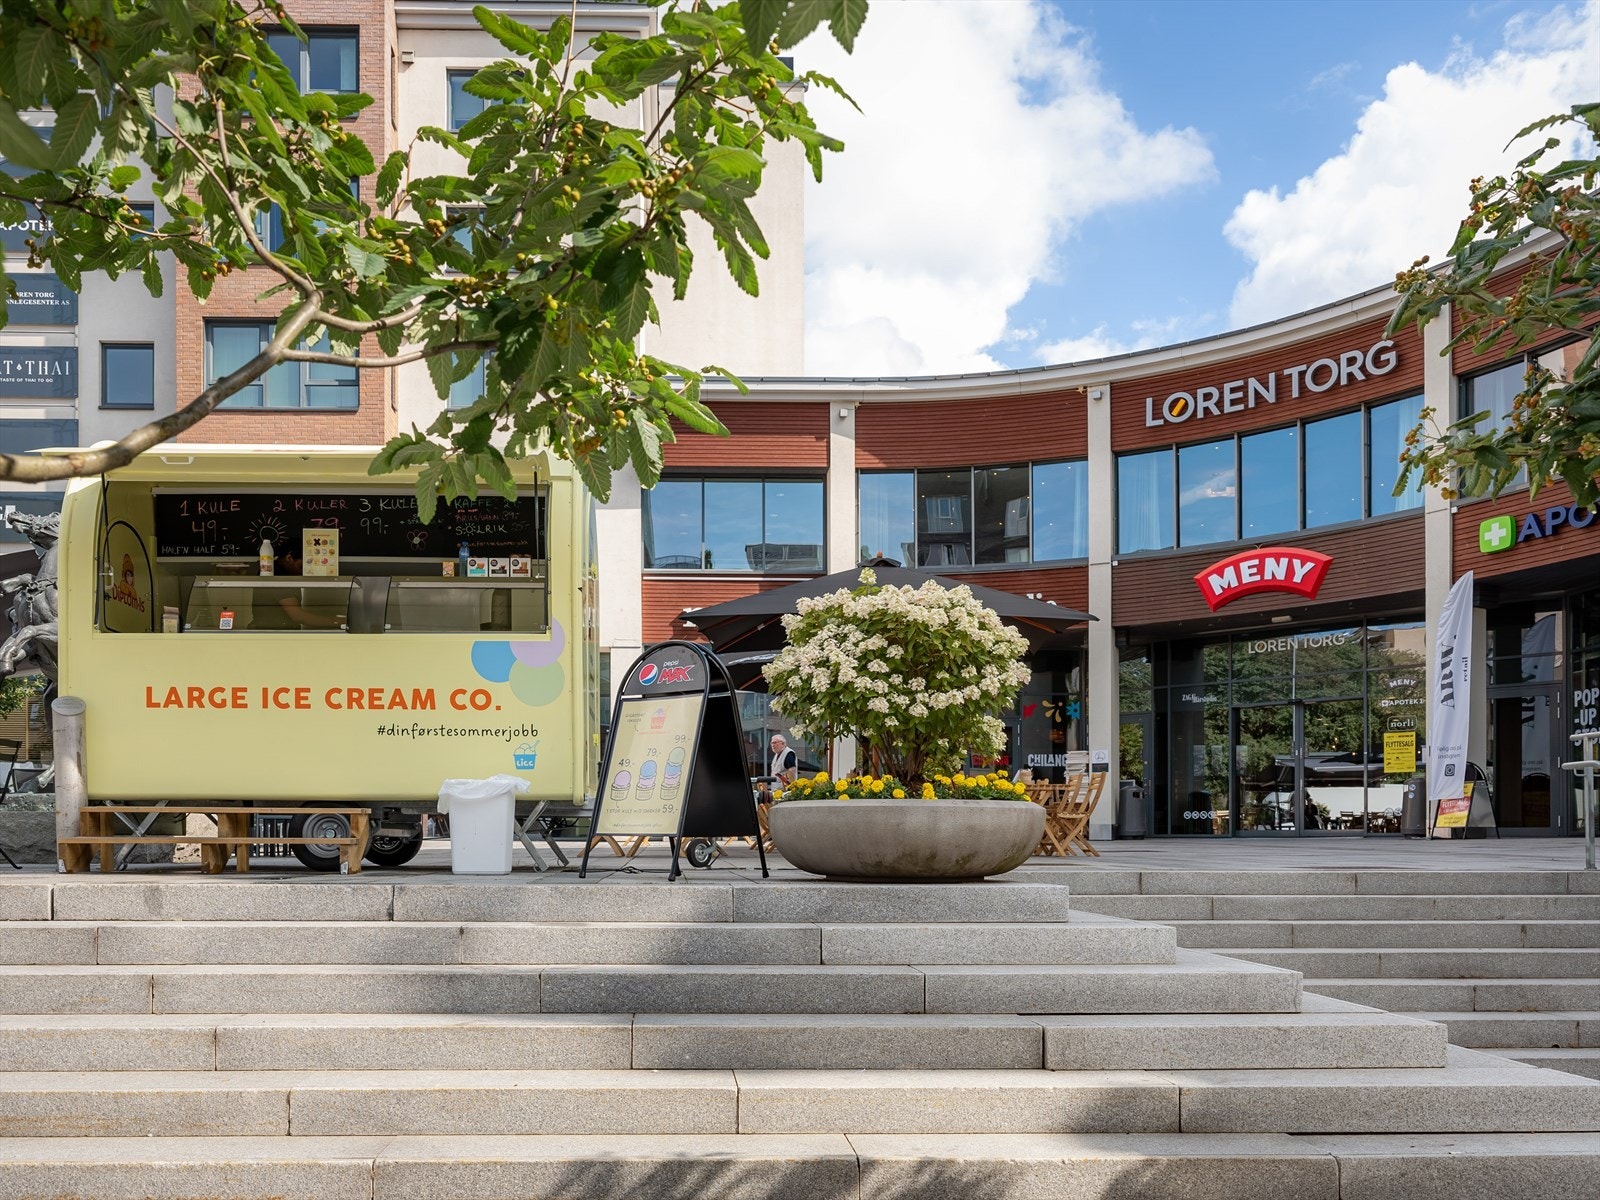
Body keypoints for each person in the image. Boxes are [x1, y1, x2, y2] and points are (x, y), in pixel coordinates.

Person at [252, 548, 344, 630]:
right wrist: (337, 621)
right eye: (301, 566)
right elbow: (298, 616)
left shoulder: (281, 573)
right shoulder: (278, 576)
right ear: (289, 558)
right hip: (274, 636)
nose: (302, 571)